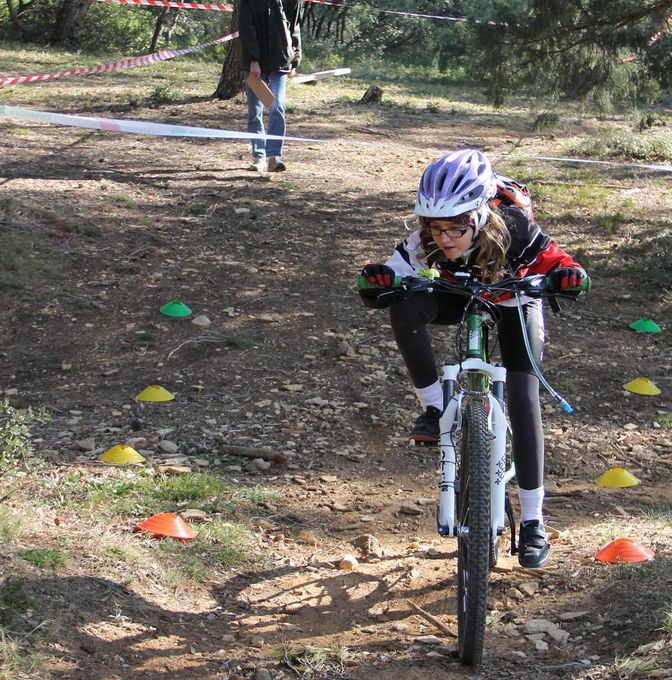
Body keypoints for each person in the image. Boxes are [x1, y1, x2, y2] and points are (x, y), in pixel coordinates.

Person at [356, 149, 590, 568]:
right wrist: (378, 282)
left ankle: (534, 521)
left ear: (480, 215)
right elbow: (394, 270)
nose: (444, 238)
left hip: (516, 298)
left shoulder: (515, 228)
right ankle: (433, 408)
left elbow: (559, 260)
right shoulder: (427, 239)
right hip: (459, 294)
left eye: (455, 228)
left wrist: (569, 275)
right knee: (404, 307)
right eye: (434, 228)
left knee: (523, 392)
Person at [238, 0, 301, 173]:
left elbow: (294, 27)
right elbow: (246, 27)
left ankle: (274, 156)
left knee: (277, 107)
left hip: (281, 64)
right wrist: (253, 59)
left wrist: (294, 61)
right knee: (255, 111)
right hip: (255, 66)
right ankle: (259, 157)